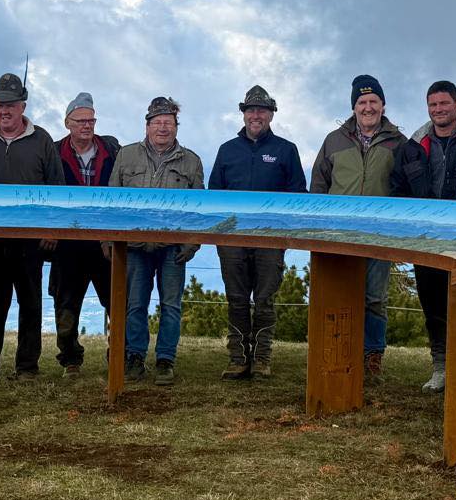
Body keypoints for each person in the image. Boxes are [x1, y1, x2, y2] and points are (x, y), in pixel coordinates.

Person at [0, 71, 66, 384]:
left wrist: (51, 231)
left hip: (30, 238)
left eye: (10, 104)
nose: (4, 110)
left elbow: (56, 188)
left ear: (22, 106)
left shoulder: (42, 139)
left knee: (30, 303)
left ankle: (27, 368)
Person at [309, 74, 407, 378]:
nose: (368, 107)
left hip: (379, 234)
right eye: (362, 102)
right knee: (337, 295)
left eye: (373, 101)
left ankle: (372, 358)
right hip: (338, 234)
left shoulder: (398, 142)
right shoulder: (333, 141)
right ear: (354, 107)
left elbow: (404, 188)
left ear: (383, 104)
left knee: (375, 299)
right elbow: (318, 186)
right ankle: (336, 354)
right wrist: (318, 229)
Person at [208, 84, 307, 380]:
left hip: (270, 240)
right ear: (243, 114)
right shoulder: (227, 151)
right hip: (233, 241)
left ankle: (262, 358)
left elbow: (297, 196)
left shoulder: (286, 150)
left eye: (262, 110)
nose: (256, 115)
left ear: (271, 115)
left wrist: (283, 236)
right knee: (236, 299)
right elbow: (214, 196)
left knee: (265, 300)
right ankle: (238, 358)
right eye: (251, 110)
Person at [108, 96, 204, 385]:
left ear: (176, 126)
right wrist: (110, 242)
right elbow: (112, 200)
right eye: (157, 123)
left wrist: (192, 244)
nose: (163, 128)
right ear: (147, 125)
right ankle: (134, 357)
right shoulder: (126, 156)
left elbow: (199, 208)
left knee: (171, 306)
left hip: (173, 249)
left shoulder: (191, 161)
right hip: (134, 247)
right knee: (134, 304)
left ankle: (165, 360)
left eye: (169, 123)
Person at [394, 80, 456, 392]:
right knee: (433, 307)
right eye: (433, 105)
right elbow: (398, 190)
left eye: (444, 103)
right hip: (425, 240)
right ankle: (440, 368)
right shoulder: (413, 147)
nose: (439, 110)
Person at [50, 92, 120, 376]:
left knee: (115, 300)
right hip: (67, 242)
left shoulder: (113, 151)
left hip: (103, 240)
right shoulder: (54, 152)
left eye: (91, 120)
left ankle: (117, 353)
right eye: (80, 121)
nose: (86, 126)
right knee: (65, 304)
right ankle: (70, 359)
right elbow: (46, 193)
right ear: (68, 123)